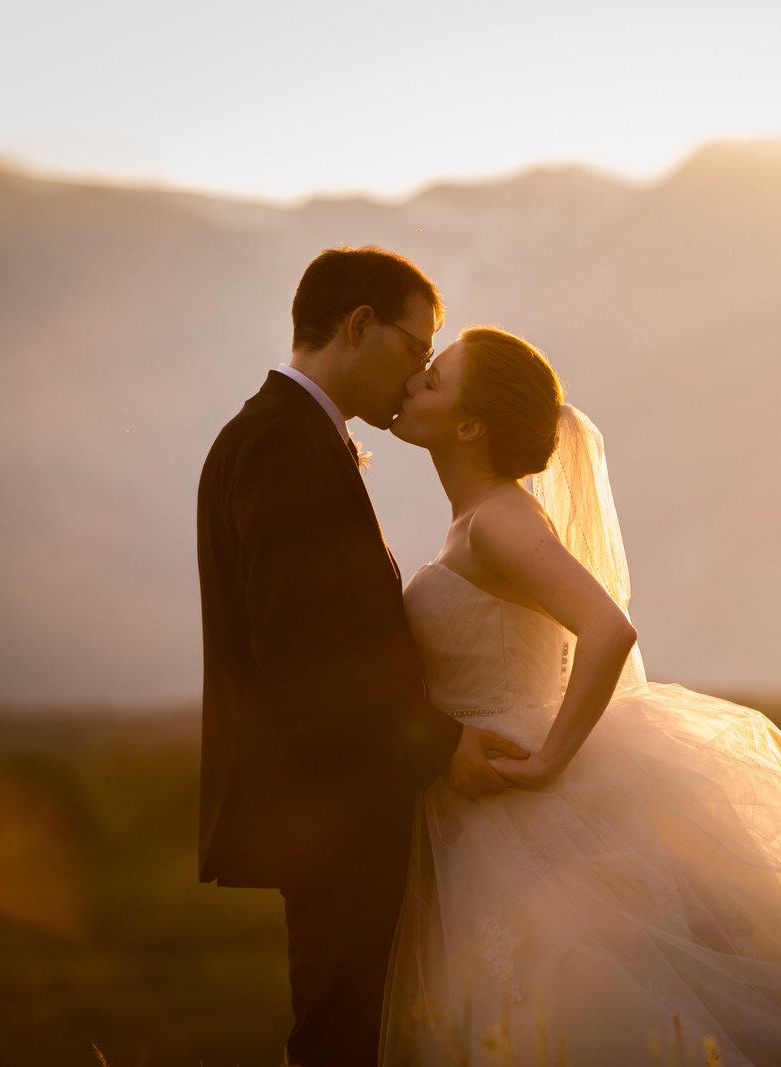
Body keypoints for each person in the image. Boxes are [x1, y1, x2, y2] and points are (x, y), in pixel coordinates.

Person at [382, 326, 781, 1064]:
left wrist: (551, 757)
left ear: (470, 426)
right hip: (477, 802)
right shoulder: (479, 520)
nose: (413, 383)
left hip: (516, 801)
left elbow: (607, 628)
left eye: (433, 379)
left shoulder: (498, 520)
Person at [196, 247, 530, 1067]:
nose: (418, 374)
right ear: (358, 326)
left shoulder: (291, 433)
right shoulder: (282, 444)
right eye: (416, 348)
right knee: (340, 1041)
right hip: (330, 811)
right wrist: (441, 743)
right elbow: (305, 655)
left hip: (335, 804)